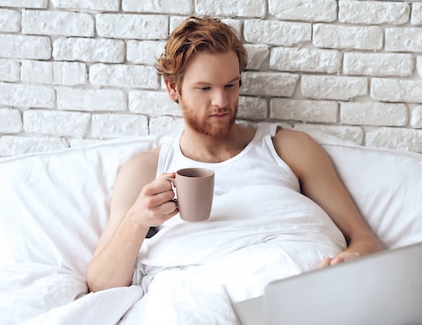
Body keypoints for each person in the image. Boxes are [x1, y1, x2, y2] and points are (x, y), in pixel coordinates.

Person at [86, 16, 384, 292]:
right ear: (173, 88)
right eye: (204, 88)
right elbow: (100, 283)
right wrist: (138, 219)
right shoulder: (145, 170)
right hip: (200, 295)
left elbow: (365, 240)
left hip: (294, 288)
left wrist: (353, 257)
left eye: (231, 85)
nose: (221, 101)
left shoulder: (288, 148)